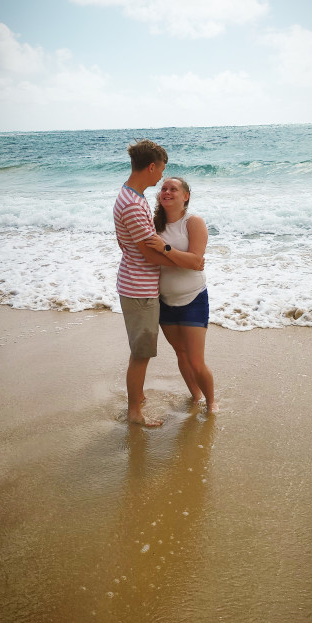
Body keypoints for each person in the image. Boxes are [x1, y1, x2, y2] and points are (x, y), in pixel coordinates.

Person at [113, 140, 203, 428]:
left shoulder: (129, 196)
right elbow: (149, 254)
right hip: (139, 289)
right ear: (152, 167)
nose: (161, 177)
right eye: (161, 170)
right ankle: (134, 413)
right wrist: (186, 261)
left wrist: (176, 256)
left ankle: (137, 398)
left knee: (141, 351)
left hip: (137, 284)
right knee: (141, 354)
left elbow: (124, 244)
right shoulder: (134, 205)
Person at [146, 177, 218, 413]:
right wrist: (181, 259)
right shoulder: (153, 225)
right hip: (165, 301)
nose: (167, 192)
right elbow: (151, 259)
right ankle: (195, 396)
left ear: (185, 196)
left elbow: (197, 261)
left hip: (193, 298)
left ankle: (211, 402)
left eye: (173, 189)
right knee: (181, 354)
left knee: (196, 361)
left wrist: (165, 249)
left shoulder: (193, 222)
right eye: (163, 189)